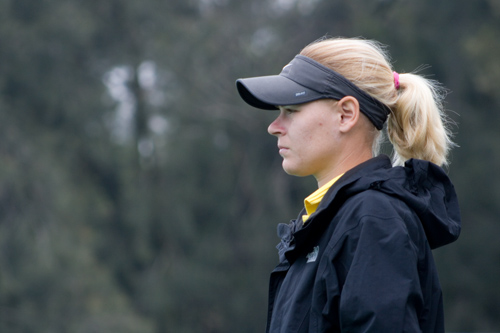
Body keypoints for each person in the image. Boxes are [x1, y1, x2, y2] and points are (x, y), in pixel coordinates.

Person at [235, 37, 461, 333]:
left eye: (291, 109)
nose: (274, 126)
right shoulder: (334, 222)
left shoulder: (372, 219)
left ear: (346, 115)